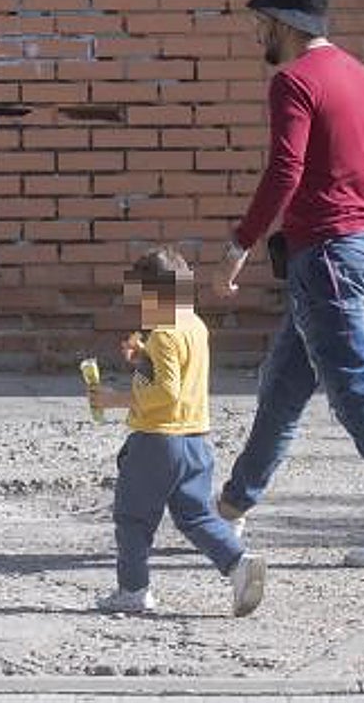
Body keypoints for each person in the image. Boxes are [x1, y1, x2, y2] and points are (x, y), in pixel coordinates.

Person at [211, 0, 364, 567]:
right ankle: (230, 510)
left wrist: (240, 245)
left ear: (283, 23)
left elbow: (284, 171)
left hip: (329, 257)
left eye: (261, 20)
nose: (257, 29)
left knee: (356, 393)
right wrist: (359, 225)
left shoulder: (294, 82)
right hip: (357, 248)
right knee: (283, 387)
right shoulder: (359, 77)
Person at [88, 245, 267, 617]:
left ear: (157, 296)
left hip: (157, 442)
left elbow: (165, 391)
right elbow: (179, 378)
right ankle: (239, 563)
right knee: (197, 517)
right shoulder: (195, 326)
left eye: (142, 301)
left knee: (133, 519)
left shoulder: (163, 334)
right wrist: (141, 360)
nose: (141, 310)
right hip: (196, 442)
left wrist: (115, 398)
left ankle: (133, 591)